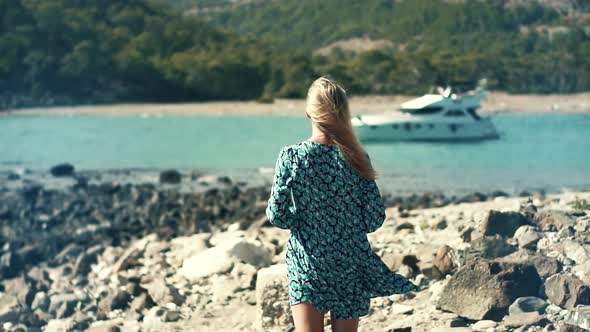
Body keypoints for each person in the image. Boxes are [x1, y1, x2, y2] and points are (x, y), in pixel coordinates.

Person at [265, 76, 418, 332]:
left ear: (308, 114)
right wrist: (345, 223)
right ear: (344, 114)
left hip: (308, 261)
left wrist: (306, 220)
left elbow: (277, 215)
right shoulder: (357, 157)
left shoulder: (292, 157)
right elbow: (374, 219)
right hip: (350, 261)